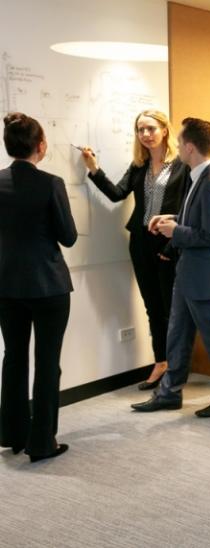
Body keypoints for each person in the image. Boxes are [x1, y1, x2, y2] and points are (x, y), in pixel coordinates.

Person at [131, 117, 210, 417]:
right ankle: (169, 392)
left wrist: (174, 233)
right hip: (188, 272)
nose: (176, 147)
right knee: (177, 334)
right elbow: (196, 221)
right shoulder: (198, 176)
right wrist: (171, 219)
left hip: (203, 276)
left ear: (191, 148)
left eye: (179, 143)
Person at [80, 110, 187, 390]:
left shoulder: (181, 166)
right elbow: (117, 193)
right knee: (153, 308)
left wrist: (173, 244)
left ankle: (176, 368)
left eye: (150, 128)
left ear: (165, 130)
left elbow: (188, 210)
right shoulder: (139, 165)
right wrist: (94, 168)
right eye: (140, 130)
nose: (145, 134)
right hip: (140, 243)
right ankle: (161, 363)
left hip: (168, 243)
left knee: (170, 309)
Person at [0, 112, 77, 461]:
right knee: (47, 362)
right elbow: (69, 236)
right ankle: (42, 442)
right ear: (41, 146)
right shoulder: (50, 183)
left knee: (13, 358)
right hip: (48, 286)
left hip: (6, 286)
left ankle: (13, 433)